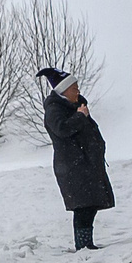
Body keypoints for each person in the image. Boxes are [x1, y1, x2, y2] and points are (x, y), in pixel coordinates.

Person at [38, 68, 113, 250]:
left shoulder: (74, 106)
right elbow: (61, 129)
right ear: (63, 91)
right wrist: (80, 116)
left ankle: (86, 243)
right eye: (74, 88)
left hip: (84, 164)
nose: (78, 91)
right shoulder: (55, 109)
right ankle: (83, 245)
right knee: (83, 206)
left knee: (90, 204)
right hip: (73, 166)